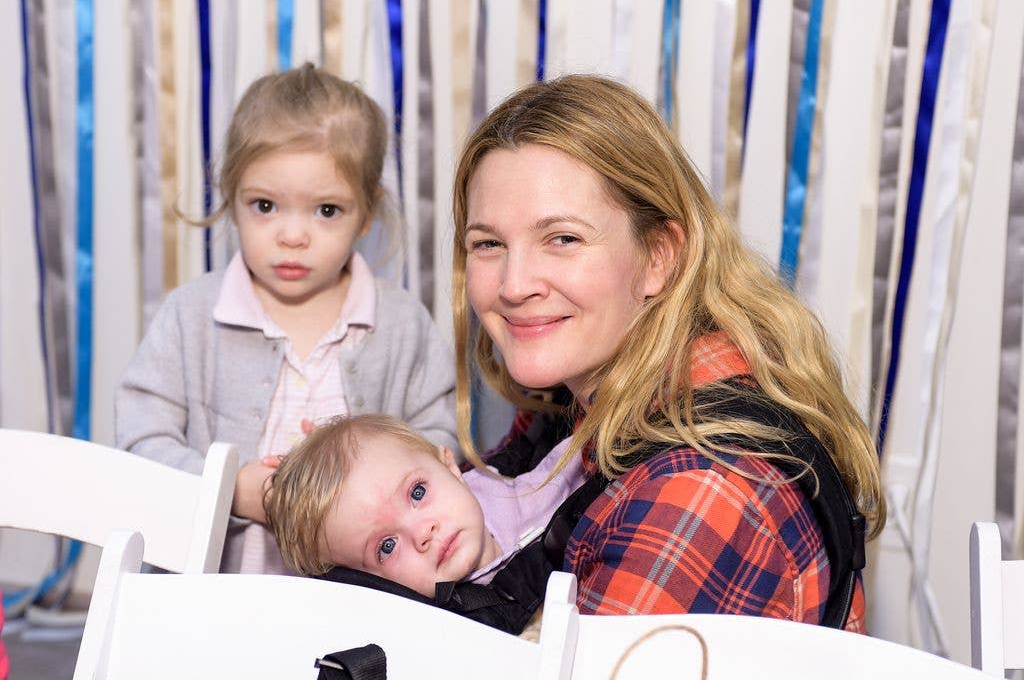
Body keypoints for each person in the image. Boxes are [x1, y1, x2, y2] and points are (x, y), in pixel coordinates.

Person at [450, 74, 885, 631]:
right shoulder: (579, 404)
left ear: (658, 256)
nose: (514, 285)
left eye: (562, 239)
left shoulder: (704, 486)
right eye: (488, 244)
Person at [115, 64, 456, 574]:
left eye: (326, 211)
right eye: (266, 205)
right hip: (216, 596)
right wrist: (231, 489)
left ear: (366, 212)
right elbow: (140, 443)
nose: (292, 235)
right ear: (232, 199)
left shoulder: (401, 325)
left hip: (358, 596)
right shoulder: (190, 317)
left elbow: (439, 442)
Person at [263, 413, 583, 597]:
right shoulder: (432, 627)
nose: (422, 533)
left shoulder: (517, 494)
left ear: (449, 466)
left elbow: (584, 458)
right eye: (387, 546)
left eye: (417, 493)